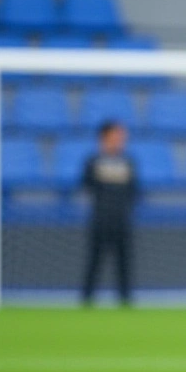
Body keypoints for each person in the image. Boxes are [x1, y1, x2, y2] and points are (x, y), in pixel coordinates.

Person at [80, 120, 138, 307]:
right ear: (103, 138)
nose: (119, 140)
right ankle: (87, 299)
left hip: (122, 220)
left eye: (121, 137)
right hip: (100, 219)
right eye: (115, 136)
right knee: (95, 261)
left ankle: (125, 300)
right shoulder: (93, 162)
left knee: (124, 263)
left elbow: (134, 190)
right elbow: (86, 185)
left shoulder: (128, 162)